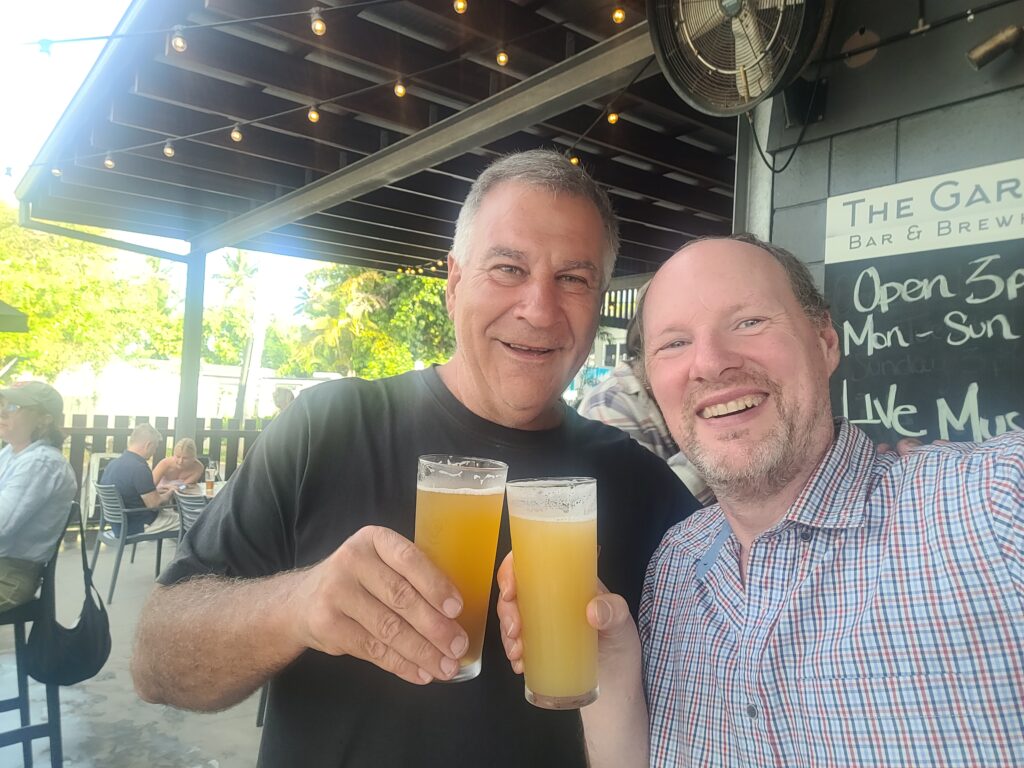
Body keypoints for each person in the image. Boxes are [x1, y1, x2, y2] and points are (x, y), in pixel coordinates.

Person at [130, 150, 700, 767]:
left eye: (573, 279)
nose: (538, 308)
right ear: (454, 283)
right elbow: (156, 664)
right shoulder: (328, 428)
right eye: (508, 268)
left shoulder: (641, 483)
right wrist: (297, 606)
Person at [499, 233, 1024, 767]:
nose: (710, 363)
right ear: (653, 384)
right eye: (674, 343)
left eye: (749, 321)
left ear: (825, 342)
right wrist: (611, 659)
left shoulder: (994, 500)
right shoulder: (674, 565)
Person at [578, 286, 711, 503]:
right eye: (676, 344)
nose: (707, 364)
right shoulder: (610, 404)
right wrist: (719, 446)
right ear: (641, 353)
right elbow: (641, 507)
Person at [0, 382, 77, 612]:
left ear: (44, 419)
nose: (3, 412)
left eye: (14, 406)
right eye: (2, 404)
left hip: (9, 576)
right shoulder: (11, 453)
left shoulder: (41, 462)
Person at [100, 423, 179, 536]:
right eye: (155, 448)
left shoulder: (113, 464)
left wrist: (156, 492)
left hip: (118, 525)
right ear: (148, 445)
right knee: (188, 522)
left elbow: (130, 492)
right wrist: (170, 492)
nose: (154, 452)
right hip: (137, 525)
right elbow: (154, 504)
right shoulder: (139, 468)